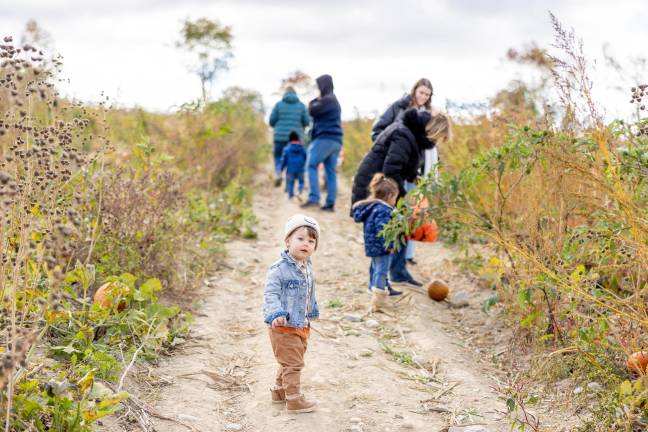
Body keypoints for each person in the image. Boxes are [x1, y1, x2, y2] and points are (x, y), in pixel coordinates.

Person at [351, 109, 451, 288]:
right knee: (388, 232)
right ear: (431, 131)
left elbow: (405, 164)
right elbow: (392, 169)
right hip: (376, 185)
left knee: (400, 226)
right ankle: (383, 280)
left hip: (386, 185)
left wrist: (414, 177)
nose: (436, 142)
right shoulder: (404, 134)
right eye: (437, 138)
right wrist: (405, 199)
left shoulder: (413, 135)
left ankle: (395, 274)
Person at [372, 78, 435, 266]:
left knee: (411, 211)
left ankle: (406, 256)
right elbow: (378, 130)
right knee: (393, 210)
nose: (423, 96)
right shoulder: (398, 107)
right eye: (421, 92)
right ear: (415, 90)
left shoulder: (428, 114)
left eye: (427, 94)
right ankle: (388, 254)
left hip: (414, 169)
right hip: (394, 167)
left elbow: (428, 145)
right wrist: (387, 148)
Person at [263, 214, 321, 413]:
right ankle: (294, 399)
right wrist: (276, 313)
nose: (306, 243)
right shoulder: (278, 270)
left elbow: (307, 294)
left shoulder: (306, 266)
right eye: (300, 239)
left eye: (311, 241)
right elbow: (270, 294)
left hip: (301, 324)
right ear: (287, 241)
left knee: (288, 361)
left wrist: (312, 311)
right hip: (283, 325)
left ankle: (279, 392)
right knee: (294, 363)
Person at [351, 173, 402, 311]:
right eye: (395, 198)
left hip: (372, 245)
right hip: (381, 246)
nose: (395, 201)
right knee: (381, 270)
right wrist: (390, 245)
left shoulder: (373, 207)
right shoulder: (383, 210)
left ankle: (372, 289)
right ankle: (378, 300)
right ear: (390, 195)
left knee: (375, 267)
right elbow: (383, 230)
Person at [301, 74, 343, 212]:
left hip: (325, 138)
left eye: (319, 85)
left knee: (311, 165)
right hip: (336, 140)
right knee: (330, 171)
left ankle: (314, 198)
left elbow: (312, 110)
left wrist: (314, 100)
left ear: (323, 86)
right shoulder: (334, 100)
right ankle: (330, 204)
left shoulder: (327, 100)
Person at [269, 86, 310, 187]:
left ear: (285, 93)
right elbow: (307, 122)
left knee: (278, 157)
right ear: (295, 93)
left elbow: (271, 121)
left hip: (279, 137)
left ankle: (278, 173)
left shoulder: (278, 105)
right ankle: (292, 179)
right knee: (294, 158)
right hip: (296, 137)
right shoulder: (301, 106)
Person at [279, 131, 307, 201]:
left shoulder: (287, 148)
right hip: (300, 168)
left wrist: (281, 168)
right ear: (298, 138)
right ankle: (299, 191)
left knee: (290, 183)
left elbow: (284, 159)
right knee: (301, 181)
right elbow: (305, 156)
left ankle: (290, 196)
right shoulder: (302, 147)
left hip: (290, 169)